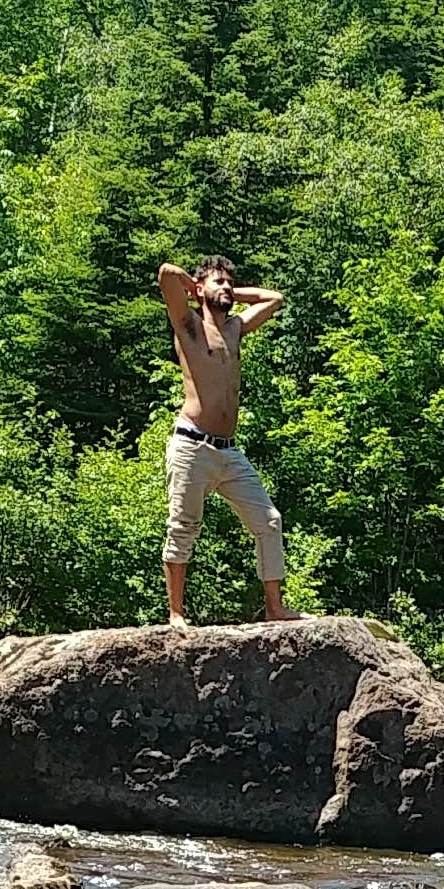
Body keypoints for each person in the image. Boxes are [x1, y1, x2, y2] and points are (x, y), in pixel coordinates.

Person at [157, 254, 296, 624]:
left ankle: (275, 609)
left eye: (230, 284)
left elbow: (274, 299)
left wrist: (227, 292)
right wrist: (196, 288)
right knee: (183, 526)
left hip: (229, 453)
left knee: (269, 521)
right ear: (200, 289)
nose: (228, 288)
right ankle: (176, 614)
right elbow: (166, 274)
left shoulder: (234, 329)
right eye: (220, 282)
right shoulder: (187, 325)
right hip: (191, 445)